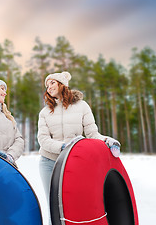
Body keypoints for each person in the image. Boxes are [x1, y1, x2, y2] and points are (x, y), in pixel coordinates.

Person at [37, 71, 121, 223]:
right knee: (54, 206)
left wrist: (108, 140)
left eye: (52, 83)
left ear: (62, 84)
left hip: (73, 162)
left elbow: (92, 134)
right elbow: (43, 140)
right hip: (49, 163)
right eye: (47, 85)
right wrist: (63, 146)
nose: (48, 87)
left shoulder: (82, 106)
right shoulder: (45, 112)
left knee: (74, 203)